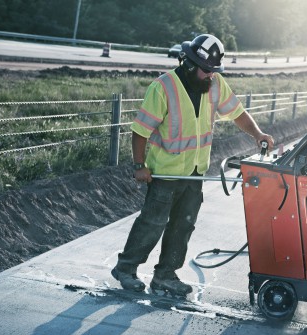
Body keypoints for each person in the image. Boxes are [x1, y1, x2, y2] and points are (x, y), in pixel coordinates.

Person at [111, 34, 274, 296]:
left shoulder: (214, 84)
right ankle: (126, 268)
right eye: (206, 70)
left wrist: (258, 134)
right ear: (189, 64)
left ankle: (165, 275)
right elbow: (140, 130)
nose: (211, 75)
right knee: (152, 223)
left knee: (182, 226)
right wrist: (139, 165)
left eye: (213, 70)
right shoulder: (163, 88)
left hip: (195, 173)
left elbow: (237, 113)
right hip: (165, 173)